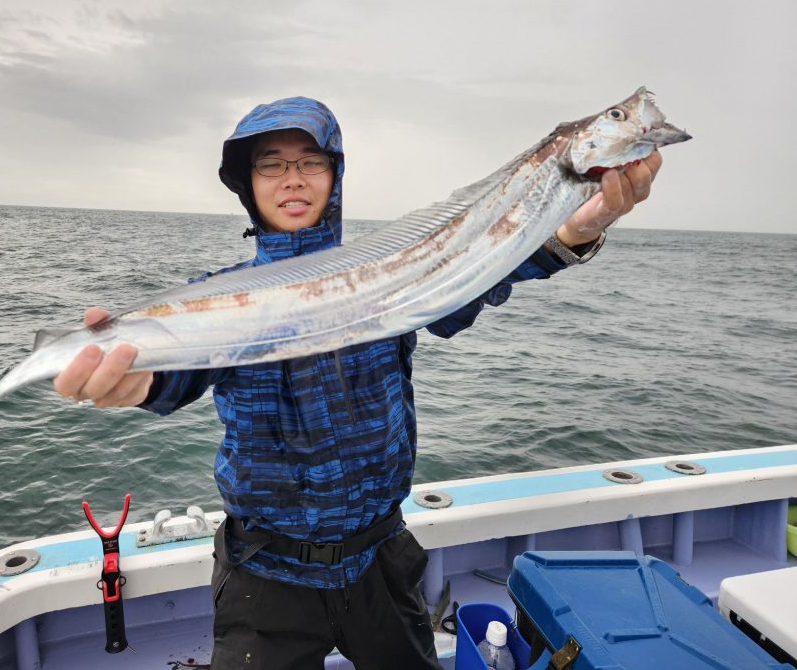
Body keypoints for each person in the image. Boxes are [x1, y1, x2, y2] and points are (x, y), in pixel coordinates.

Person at [53, 97, 662, 669]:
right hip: (265, 574)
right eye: (271, 166)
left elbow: (481, 279)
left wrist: (573, 233)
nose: (292, 179)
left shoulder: (395, 277)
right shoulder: (223, 296)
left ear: (333, 174)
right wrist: (139, 384)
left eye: (309, 162)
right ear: (248, 184)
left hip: (381, 560)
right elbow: (179, 368)